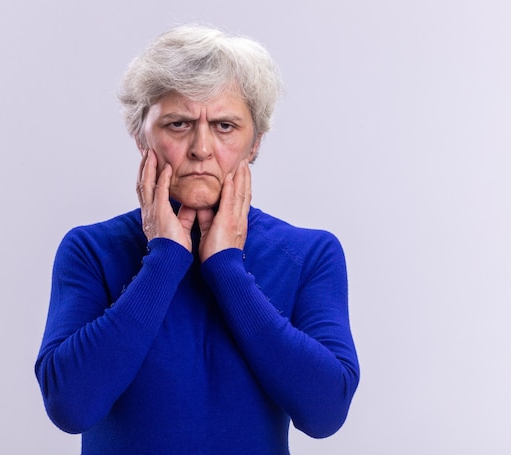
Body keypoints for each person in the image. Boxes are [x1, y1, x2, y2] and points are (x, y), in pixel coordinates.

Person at [35, 24, 359, 454]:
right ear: (140, 133)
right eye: (179, 123)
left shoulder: (309, 254)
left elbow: (324, 414)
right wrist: (164, 259)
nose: (201, 148)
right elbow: (70, 406)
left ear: (255, 143)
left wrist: (227, 267)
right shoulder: (90, 251)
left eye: (225, 125)